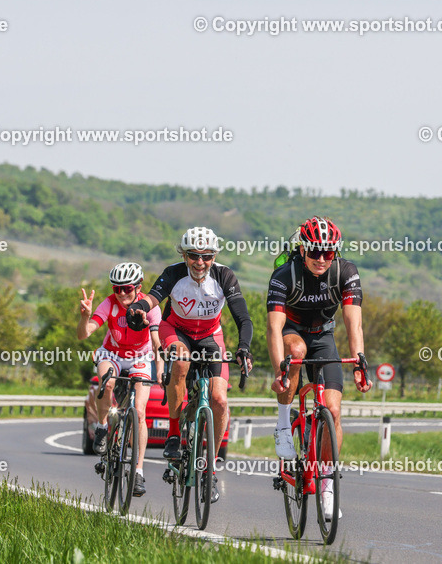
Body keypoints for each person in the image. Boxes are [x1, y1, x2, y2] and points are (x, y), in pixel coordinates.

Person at [126, 226, 253, 504]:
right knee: (181, 363)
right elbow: (151, 298)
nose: (200, 262)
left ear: (213, 256)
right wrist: (138, 310)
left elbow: (243, 318)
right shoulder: (173, 273)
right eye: (194, 256)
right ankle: (174, 432)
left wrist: (244, 348)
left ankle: (210, 469)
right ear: (184, 255)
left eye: (206, 257)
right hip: (177, 330)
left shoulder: (224, 276)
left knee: (219, 400)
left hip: (210, 335)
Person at [266, 216, 371, 521]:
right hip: (292, 334)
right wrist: (279, 373)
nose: (322, 259)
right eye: (315, 252)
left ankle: (326, 483)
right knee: (296, 351)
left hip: (324, 336)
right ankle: (284, 423)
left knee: (334, 412)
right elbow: (274, 328)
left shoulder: (345, 272)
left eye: (328, 253)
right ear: (302, 250)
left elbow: (354, 321)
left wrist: (359, 362)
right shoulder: (285, 275)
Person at [78, 261, 162, 497]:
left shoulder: (151, 306)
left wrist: (162, 371)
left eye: (127, 288)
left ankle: (138, 472)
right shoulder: (109, 303)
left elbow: (157, 344)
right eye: (117, 289)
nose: (122, 293)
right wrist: (85, 316)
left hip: (140, 357)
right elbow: (84, 334)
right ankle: (103, 427)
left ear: (138, 287)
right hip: (112, 353)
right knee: (108, 381)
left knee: (140, 411)